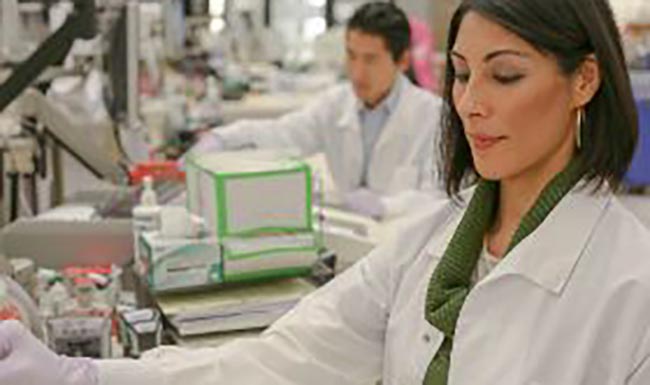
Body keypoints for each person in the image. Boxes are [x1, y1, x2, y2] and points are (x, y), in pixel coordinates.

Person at [2, 0, 650, 384]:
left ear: (584, 80)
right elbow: (277, 360)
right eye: (459, 74)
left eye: (505, 75)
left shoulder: (630, 287)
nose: (471, 103)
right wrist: (84, 375)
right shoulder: (429, 248)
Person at [189, 2, 444, 220]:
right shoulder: (335, 105)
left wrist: (385, 207)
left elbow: (439, 197)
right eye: (351, 55)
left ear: (402, 61)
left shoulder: (431, 116)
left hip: (401, 245)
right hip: (351, 238)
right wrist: (222, 138)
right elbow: (282, 132)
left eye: (370, 60)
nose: (356, 72)